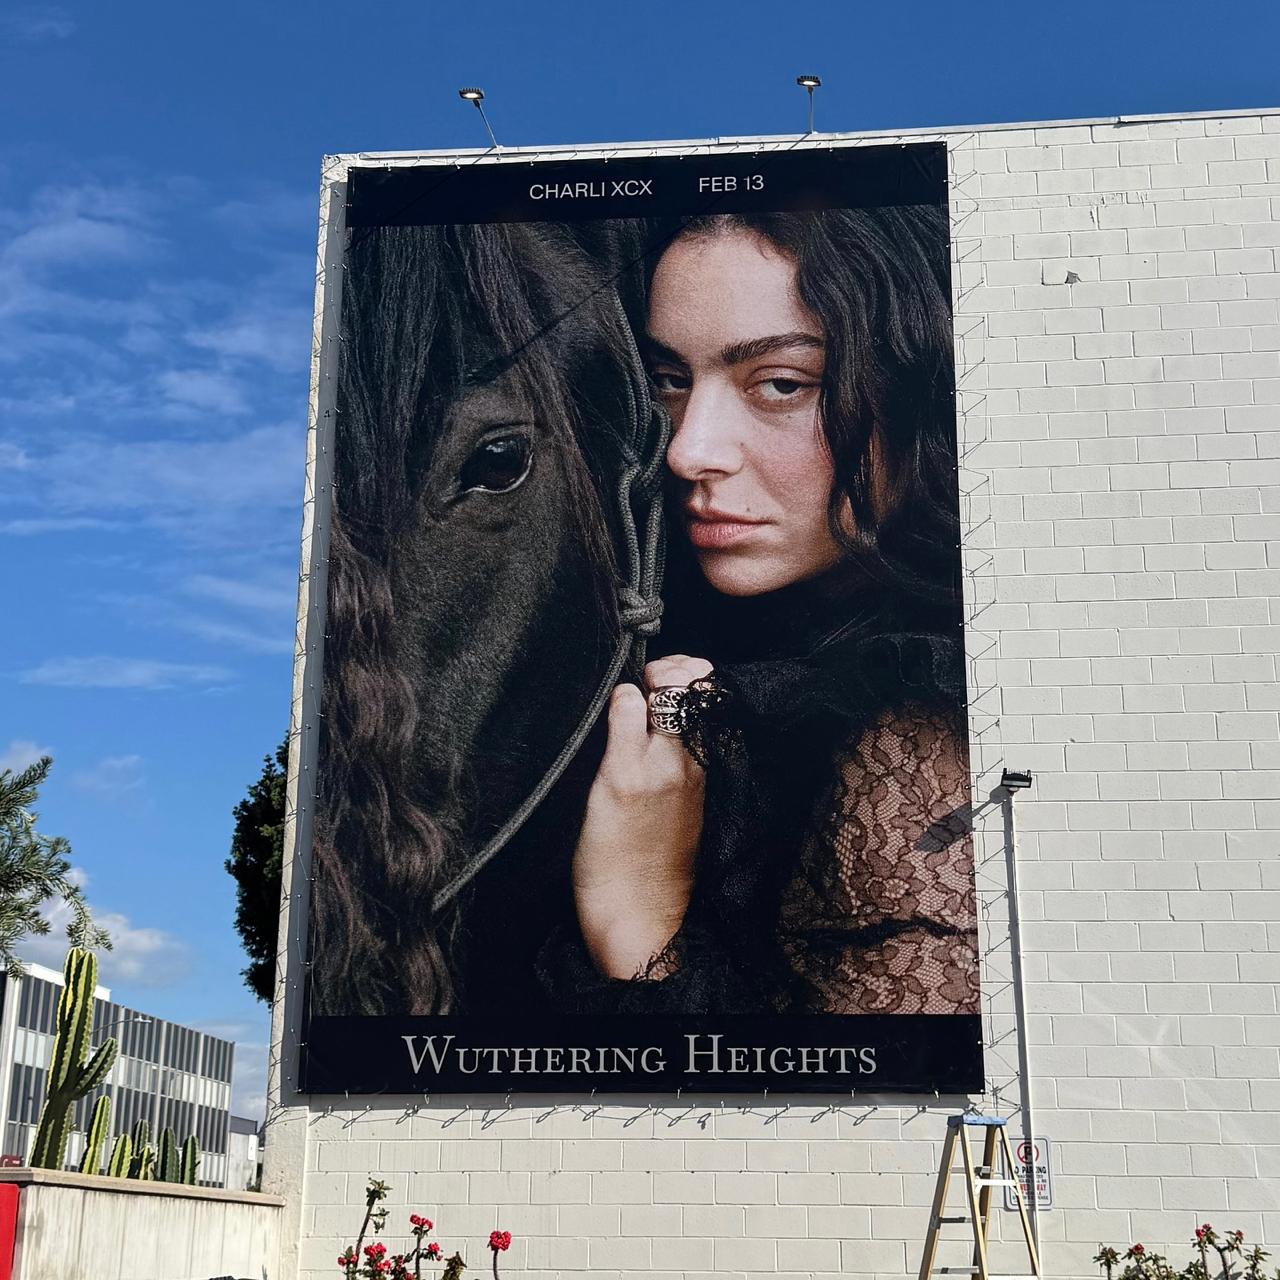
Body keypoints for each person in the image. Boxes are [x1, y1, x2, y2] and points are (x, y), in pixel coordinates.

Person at [547, 207, 979, 1017]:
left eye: (781, 383)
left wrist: (636, 914)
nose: (687, 450)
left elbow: (874, 1133)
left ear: (920, 394)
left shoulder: (916, 745)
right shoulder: (685, 641)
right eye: (670, 381)